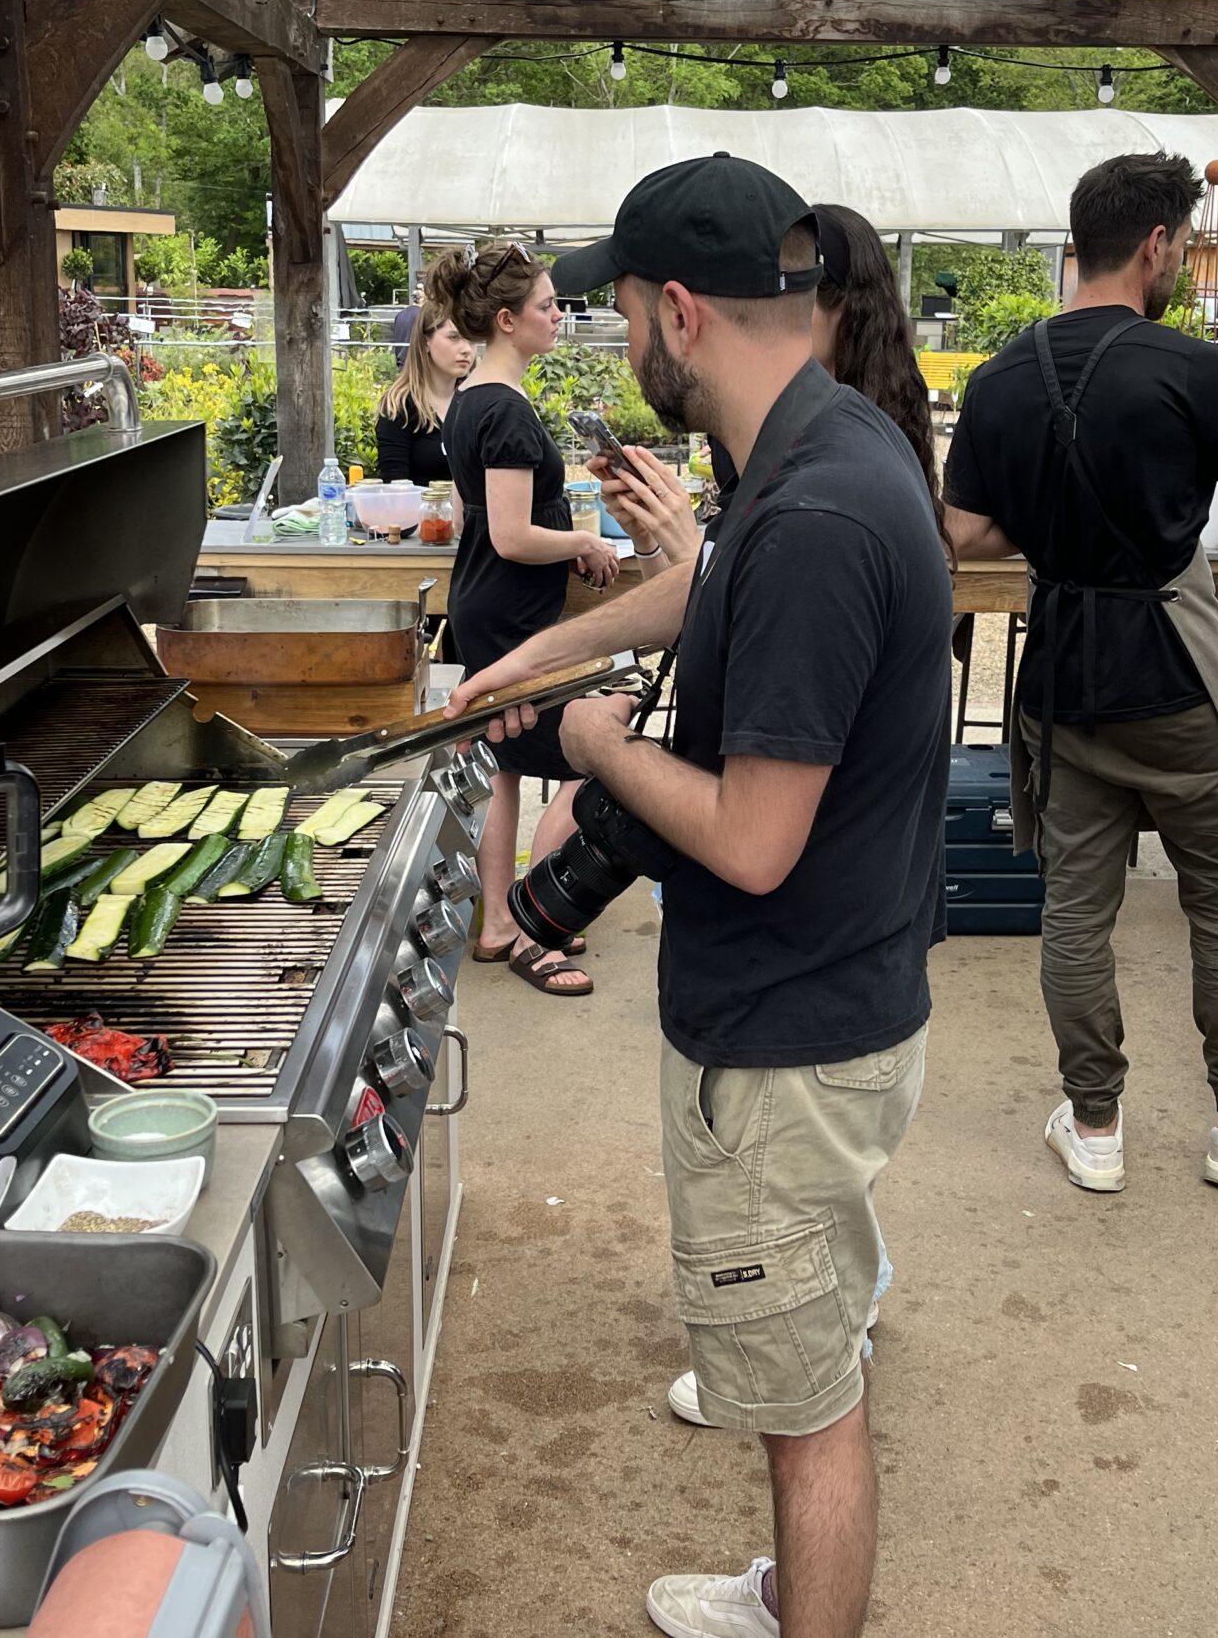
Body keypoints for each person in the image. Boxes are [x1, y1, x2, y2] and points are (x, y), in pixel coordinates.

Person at [451, 155, 952, 1638]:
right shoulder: (825, 440)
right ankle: (796, 1593)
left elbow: (750, 839)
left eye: (620, 315)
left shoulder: (814, 514)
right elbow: (713, 583)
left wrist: (596, 743)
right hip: (839, 990)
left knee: (808, 1411)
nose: (617, 344)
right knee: (813, 1360)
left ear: (680, 312)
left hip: (786, 1033)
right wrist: (540, 656)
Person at [940, 151, 1218, 1199]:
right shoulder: (1189, 370)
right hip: (1174, 674)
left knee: (1075, 912)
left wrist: (1060, 519)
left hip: (1061, 679)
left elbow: (962, 534)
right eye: (1182, 245)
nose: (1181, 260)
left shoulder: (1000, 376)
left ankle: (1095, 1127)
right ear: (1155, 245)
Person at [436, 241, 618, 996]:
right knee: (591, 752)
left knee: (503, 765)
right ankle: (533, 924)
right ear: (507, 321)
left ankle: (495, 926)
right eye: (546, 306)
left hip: (482, 599)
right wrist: (583, 541)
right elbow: (512, 535)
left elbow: (476, 519)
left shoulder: (469, 397)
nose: (558, 315)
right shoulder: (505, 409)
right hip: (509, 611)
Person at [600, 200, 943, 570]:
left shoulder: (845, 471)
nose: (771, 315)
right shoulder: (765, 422)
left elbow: (745, 577)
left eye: (794, 295)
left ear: (844, 305)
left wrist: (688, 552)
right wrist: (651, 540)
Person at [373, 291, 473, 485]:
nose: (466, 349)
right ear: (425, 341)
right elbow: (395, 487)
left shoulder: (477, 403)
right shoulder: (399, 406)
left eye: (471, 339)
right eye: (454, 337)